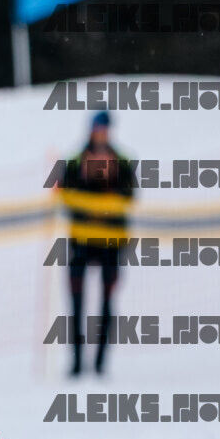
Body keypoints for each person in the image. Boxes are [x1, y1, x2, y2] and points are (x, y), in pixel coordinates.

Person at [57, 110, 135, 377]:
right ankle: (77, 363)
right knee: (76, 302)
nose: (101, 134)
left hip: (112, 243)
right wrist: (84, 180)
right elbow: (64, 194)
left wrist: (110, 182)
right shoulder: (74, 161)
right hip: (81, 242)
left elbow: (129, 195)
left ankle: (100, 364)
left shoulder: (122, 161)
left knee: (107, 303)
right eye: (98, 128)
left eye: (105, 129)